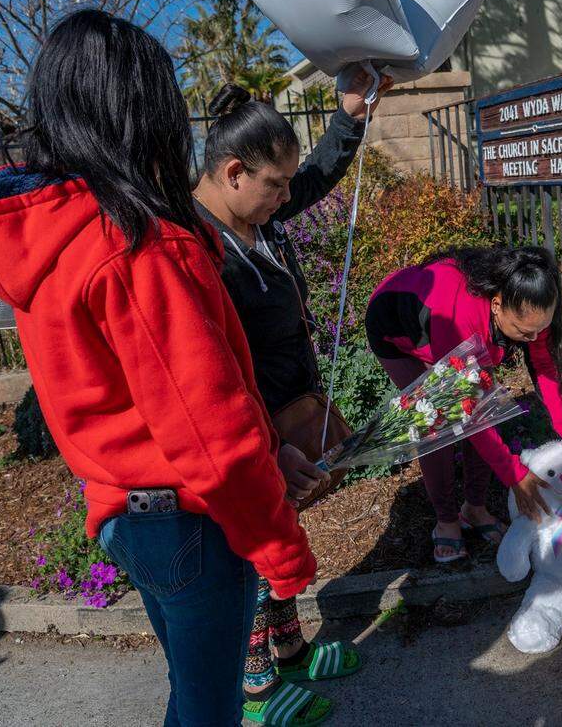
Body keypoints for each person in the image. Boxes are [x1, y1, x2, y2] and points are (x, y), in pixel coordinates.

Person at [0, 9, 314, 727]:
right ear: (144, 113)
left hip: (123, 513)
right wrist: (279, 543)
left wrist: (271, 453)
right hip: (189, 520)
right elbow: (209, 426)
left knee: (190, 694)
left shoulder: (52, 235)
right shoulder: (138, 243)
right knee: (209, 710)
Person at [191, 75, 389, 726]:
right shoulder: (196, 252)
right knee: (252, 551)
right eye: (276, 184)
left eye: (285, 183)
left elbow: (315, 180)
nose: (287, 196)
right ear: (232, 172)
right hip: (244, 434)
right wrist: (266, 447)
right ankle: (254, 692)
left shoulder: (255, 218)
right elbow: (208, 373)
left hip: (282, 419)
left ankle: (291, 650)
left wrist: (350, 119)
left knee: (284, 534)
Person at [365, 247, 562, 562]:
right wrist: (514, 474)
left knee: (491, 411)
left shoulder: (530, 307)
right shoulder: (457, 316)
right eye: (524, 332)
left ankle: (474, 508)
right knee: (436, 428)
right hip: (400, 332)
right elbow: (468, 412)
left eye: (539, 330)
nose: (533, 338)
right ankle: (446, 521)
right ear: (497, 305)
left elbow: (542, 363)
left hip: (461, 338)